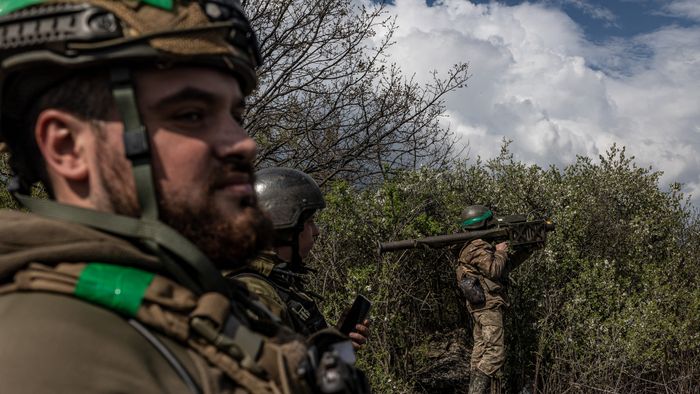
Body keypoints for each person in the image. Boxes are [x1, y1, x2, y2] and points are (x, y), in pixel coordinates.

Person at [0, 1, 366, 393]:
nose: (244, 144)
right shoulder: (54, 357)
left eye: (235, 116)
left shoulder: (189, 308)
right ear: (68, 147)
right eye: (191, 114)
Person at [229, 167, 370, 349]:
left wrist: (336, 341)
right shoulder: (255, 294)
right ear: (284, 230)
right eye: (309, 222)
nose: (316, 231)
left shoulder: (276, 283)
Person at [455, 206, 533, 394]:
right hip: (487, 307)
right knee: (495, 353)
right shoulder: (476, 247)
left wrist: (526, 251)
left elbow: (504, 269)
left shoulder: (476, 245)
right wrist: (500, 250)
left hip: (484, 307)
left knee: (481, 351)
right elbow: (494, 269)